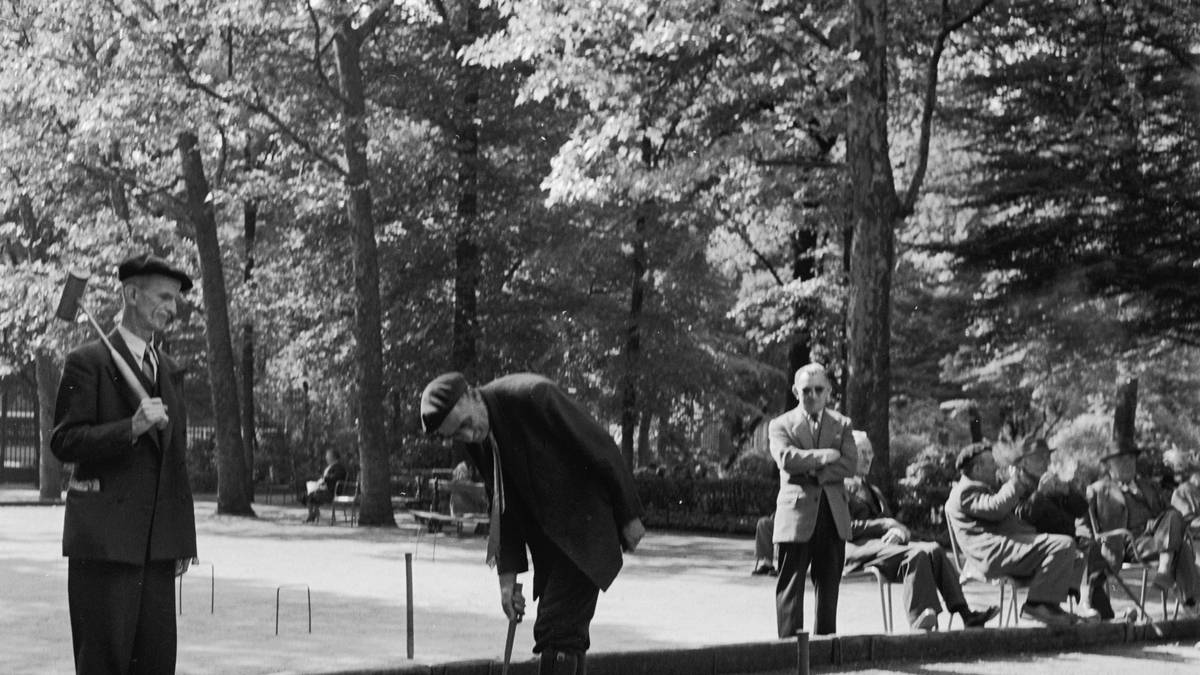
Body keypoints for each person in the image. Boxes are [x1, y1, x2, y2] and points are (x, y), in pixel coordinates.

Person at [420, 372, 645, 675]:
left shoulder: (532, 395)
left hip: (585, 527)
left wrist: (629, 515)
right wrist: (507, 577)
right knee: (569, 635)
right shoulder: (480, 440)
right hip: (553, 543)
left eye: (465, 424)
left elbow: (600, 445)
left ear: (472, 395)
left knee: (555, 628)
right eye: (457, 435)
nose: (469, 435)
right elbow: (502, 505)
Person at [50, 253, 197, 674]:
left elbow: (175, 460)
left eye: (176, 301)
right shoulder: (88, 361)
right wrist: (128, 429)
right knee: (105, 665)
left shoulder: (169, 370)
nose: (172, 308)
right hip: (105, 547)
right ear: (131, 294)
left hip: (157, 549)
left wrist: (182, 539)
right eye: (164, 297)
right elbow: (63, 441)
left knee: (155, 665)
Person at [845, 431, 999, 630]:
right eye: (862, 453)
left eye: (870, 453)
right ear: (849, 454)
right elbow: (845, 527)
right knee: (916, 555)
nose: (868, 458)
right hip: (855, 549)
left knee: (934, 549)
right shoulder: (840, 487)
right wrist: (885, 525)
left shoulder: (873, 490)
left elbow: (892, 523)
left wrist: (900, 532)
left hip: (885, 548)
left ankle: (966, 615)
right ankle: (920, 617)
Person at [945, 442, 1083, 626]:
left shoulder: (977, 488)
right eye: (991, 462)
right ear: (977, 468)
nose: (996, 466)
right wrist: (1016, 481)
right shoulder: (965, 491)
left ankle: (1050, 606)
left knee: (1073, 553)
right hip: (993, 554)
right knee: (1063, 545)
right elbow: (996, 508)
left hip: (1004, 548)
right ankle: (1037, 605)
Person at [769, 363, 858, 637]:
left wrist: (811, 469)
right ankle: (789, 653)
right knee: (790, 589)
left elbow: (850, 465)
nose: (813, 395)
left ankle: (824, 650)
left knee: (829, 588)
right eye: (806, 390)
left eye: (819, 389)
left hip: (832, 517)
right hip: (795, 517)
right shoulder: (780, 424)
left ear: (828, 392)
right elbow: (786, 459)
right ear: (796, 391)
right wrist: (825, 456)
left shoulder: (842, 424)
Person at [1004, 436, 1110, 621]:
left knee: (1092, 547)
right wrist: (1040, 493)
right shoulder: (1016, 484)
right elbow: (1020, 517)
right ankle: (1074, 606)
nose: (1045, 461)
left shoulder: (1053, 480)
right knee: (1078, 550)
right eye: (1039, 457)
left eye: (1047, 457)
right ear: (1025, 462)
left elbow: (1081, 509)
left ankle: (1093, 606)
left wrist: (1067, 491)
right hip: (1035, 547)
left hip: (1063, 542)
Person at [1087, 442, 1200, 616]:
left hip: (1158, 536)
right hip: (1128, 543)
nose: (1128, 464)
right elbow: (1086, 524)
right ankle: (1192, 605)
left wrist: (1161, 524)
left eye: (1131, 459)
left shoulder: (1149, 486)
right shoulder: (1098, 490)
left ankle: (1168, 575)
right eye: (1122, 460)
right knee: (1181, 548)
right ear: (1109, 465)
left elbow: (1170, 512)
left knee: (1174, 516)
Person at [303, 449, 348, 523]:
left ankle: (313, 514)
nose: (326, 457)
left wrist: (324, 479)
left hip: (333, 492)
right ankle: (313, 513)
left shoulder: (339, 467)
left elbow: (335, 477)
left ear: (332, 457)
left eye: (327, 456)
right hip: (326, 490)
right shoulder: (329, 467)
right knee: (308, 495)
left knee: (311, 495)